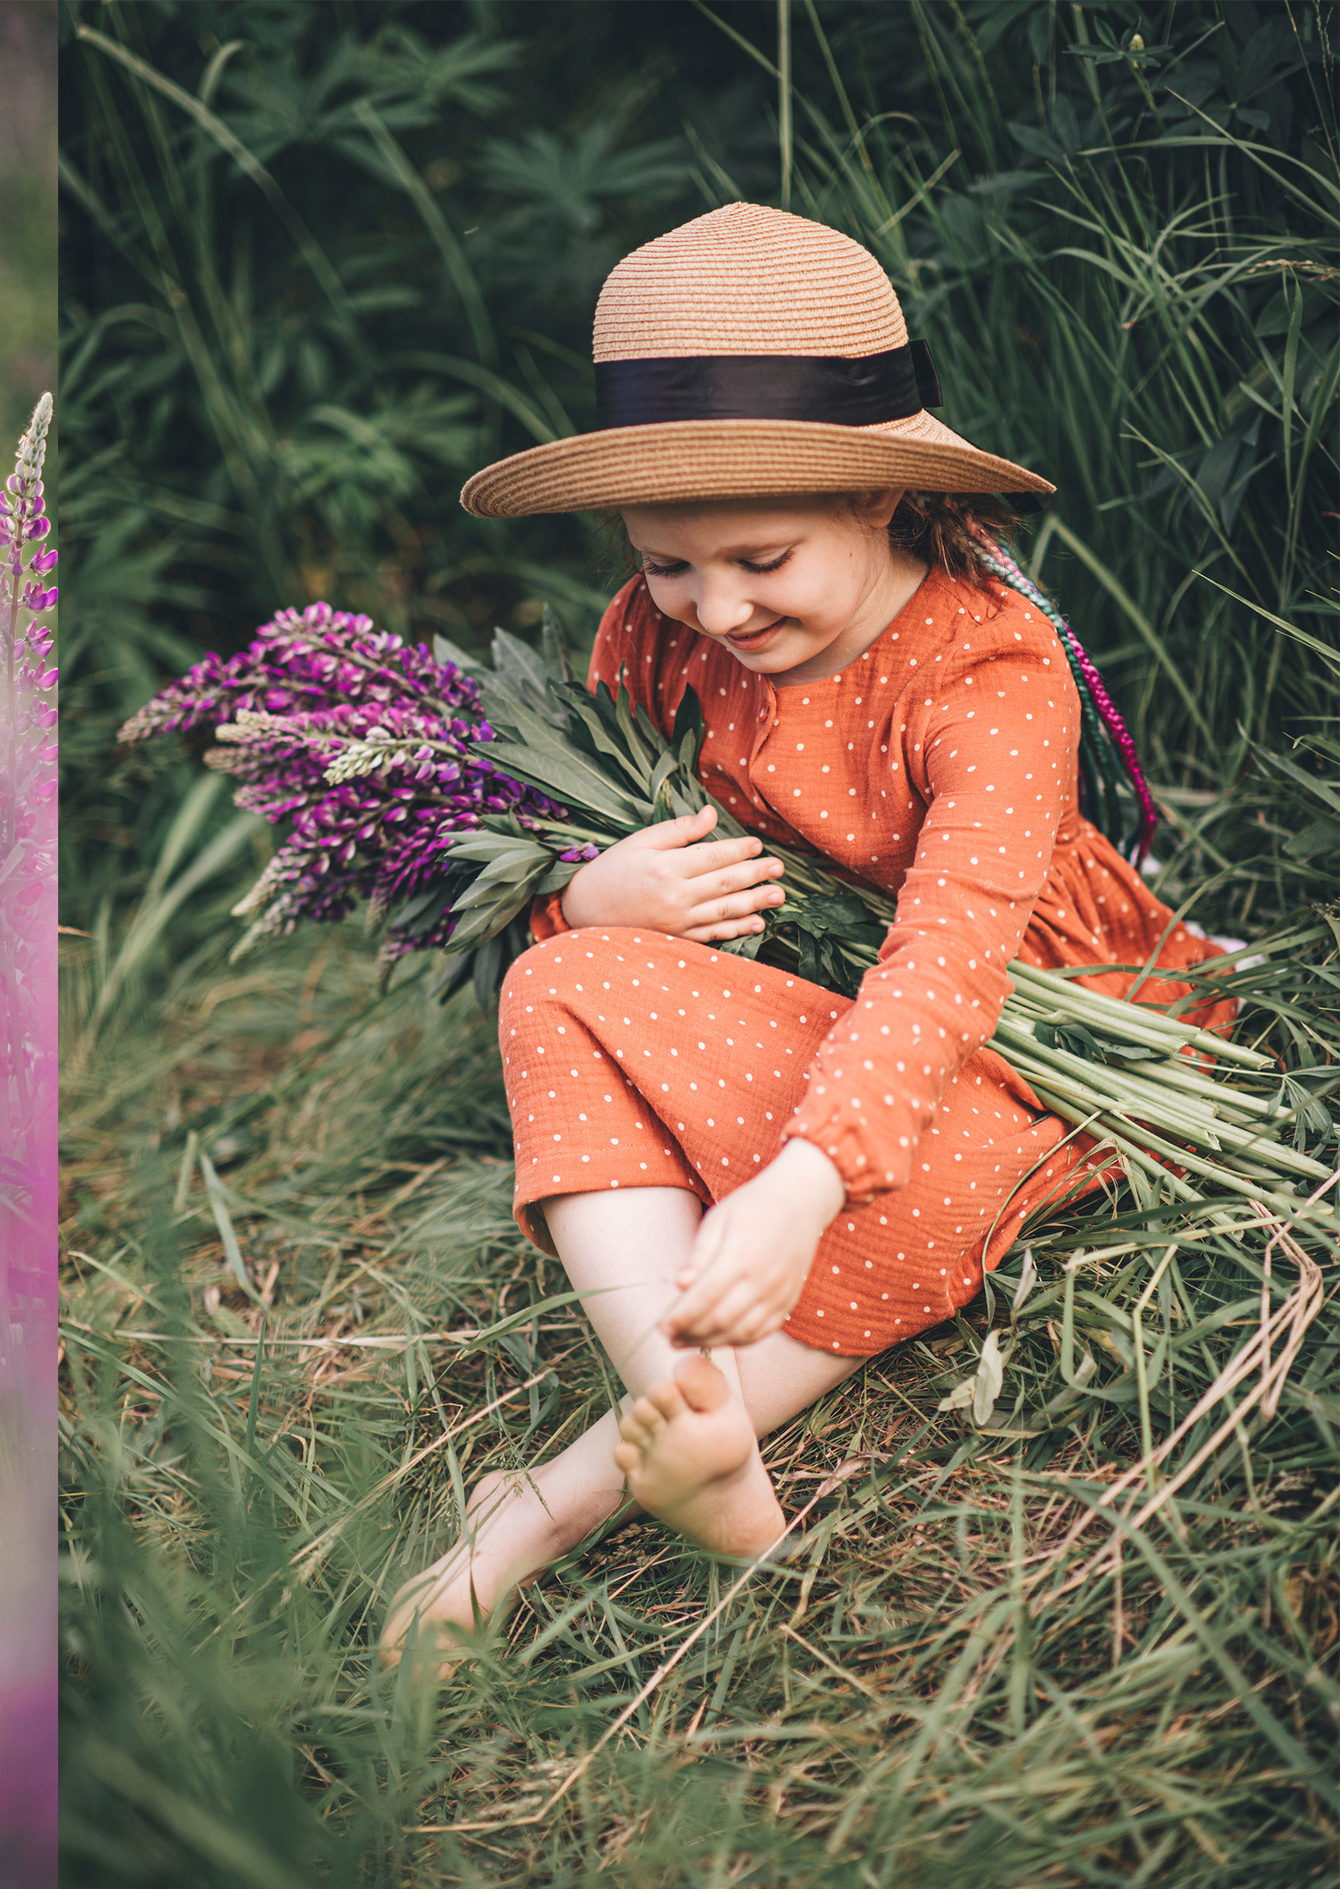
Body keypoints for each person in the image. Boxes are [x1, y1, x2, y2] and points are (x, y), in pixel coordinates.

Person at [386, 203, 1218, 1659]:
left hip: (1019, 1024)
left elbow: (948, 959)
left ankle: (557, 1495)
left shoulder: (992, 670)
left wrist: (803, 1184)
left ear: (882, 500)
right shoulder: (654, 639)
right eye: (668, 563)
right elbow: (573, 856)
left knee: (940, 1168)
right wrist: (593, 896)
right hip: (795, 1004)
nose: (715, 608)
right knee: (556, 987)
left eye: (760, 557)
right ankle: (692, 1414)